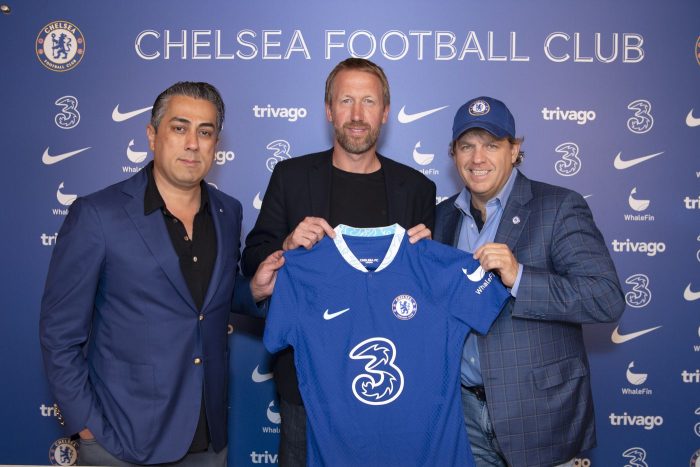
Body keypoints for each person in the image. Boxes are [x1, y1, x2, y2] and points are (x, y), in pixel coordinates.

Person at [40, 82, 284, 467]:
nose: (193, 143)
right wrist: (87, 426)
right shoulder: (98, 215)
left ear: (216, 144)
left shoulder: (228, 212)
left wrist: (252, 290)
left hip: (208, 440)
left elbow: (206, 300)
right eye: (179, 128)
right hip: (121, 441)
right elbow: (59, 334)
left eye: (205, 132)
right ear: (153, 135)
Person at [241, 57, 436, 466]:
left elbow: (428, 299)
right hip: (308, 388)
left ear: (386, 112)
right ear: (329, 110)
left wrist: (429, 261)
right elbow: (253, 257)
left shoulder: (417, 188)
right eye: (346, 100)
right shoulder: (291, 177)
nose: (357, 114)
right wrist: (286, 244)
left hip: (388, 385)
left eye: (369, 101)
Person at [434, 96, 625, 467]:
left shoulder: (558, 206)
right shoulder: (441, 217)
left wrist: (519, 276)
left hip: (539, 416)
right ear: (454, 153)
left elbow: (606, 298)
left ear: (514, 149)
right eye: (467, 146)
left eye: (491, 145)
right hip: (463, 416)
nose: (477, 158)